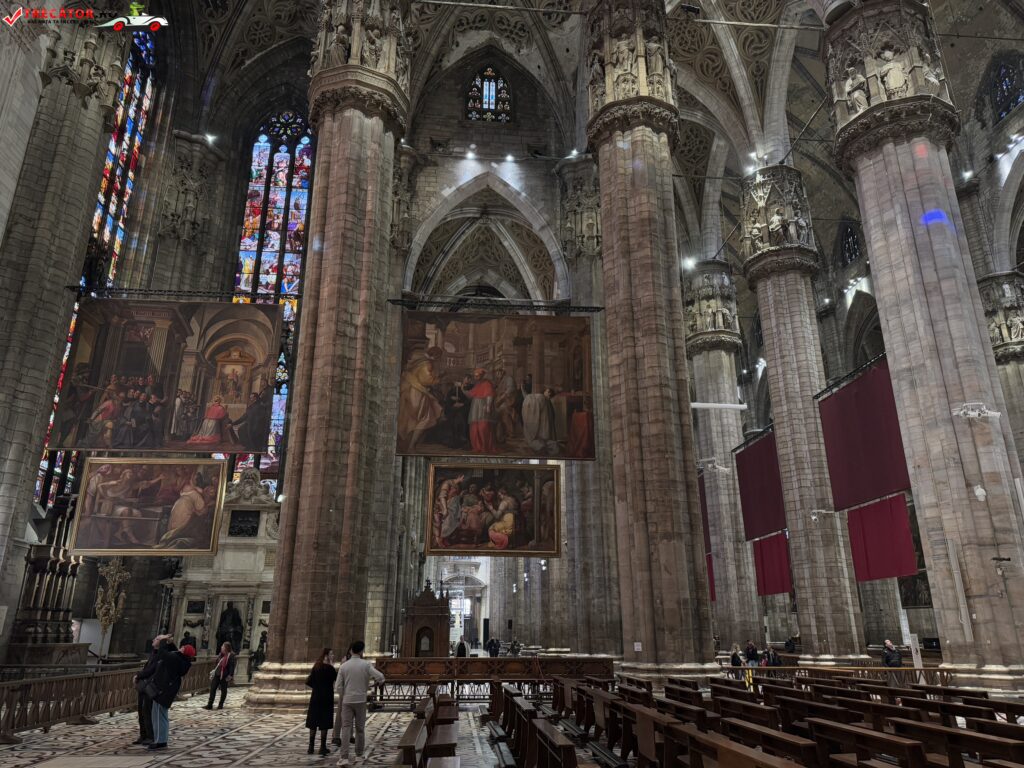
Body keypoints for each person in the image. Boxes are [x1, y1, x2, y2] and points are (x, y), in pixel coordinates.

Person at [135, 634, 194, 751]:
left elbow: (163, 653)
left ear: (184, 651)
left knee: (158, 716)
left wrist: (163, 640)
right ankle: (160, 739)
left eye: (183, 647)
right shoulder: (180, 659)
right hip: (165, 689)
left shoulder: (176, 659)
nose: (181, 647)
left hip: (164, 691)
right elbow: (171, 652)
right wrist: (170, 643)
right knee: (159, 715)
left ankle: (160, 741)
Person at [336, 640, 385, 766]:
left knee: (346, 728)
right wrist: (374, 684)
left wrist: (345, 694)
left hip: (347, 701)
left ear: (351, 650)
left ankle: (344, 757)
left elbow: (338, 686)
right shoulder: (366, 665)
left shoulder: (344, 666)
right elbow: (380, 677)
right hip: (361, 700)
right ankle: (359, 755)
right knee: (360, 729)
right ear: (362, 651)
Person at [306, 648, 337, 756]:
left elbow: (309, 681)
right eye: (331, 654)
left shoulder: (316, 666)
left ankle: (310, 747)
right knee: (325, 721)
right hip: (327, 697)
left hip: (315, 697)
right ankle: (322, 747)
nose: (333, 655)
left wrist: (317, 688)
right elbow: (336, 679)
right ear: (326, 655)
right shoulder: (330, 668)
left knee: (313, 721)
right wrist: (332, 665)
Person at [132, 638, 159, 746]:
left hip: (150, 685)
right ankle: (143, 735)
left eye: (157, 639)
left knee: (147, 711)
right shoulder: (153, 653)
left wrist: (138, 675)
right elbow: (147, 667)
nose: (153, 640)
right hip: (144, 685)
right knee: (141, 710)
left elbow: (151, 669)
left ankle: (150, 736)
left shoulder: (160, 655)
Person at [467, 368, 497, 453]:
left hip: (483, 406)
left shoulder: (487, 384)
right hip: (475, 407)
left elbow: (490, 395)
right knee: (474, 426)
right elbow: (470, 394)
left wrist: (488, 405)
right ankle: (477, 446)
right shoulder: (477, 385)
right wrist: (462, 387)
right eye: (475, 376)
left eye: (477, 376)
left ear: (482, 375)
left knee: (483, 427)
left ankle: (485, 447)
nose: (476, 378)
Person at [204, 641, 237, 710]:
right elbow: (217, 663)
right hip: (217, 674)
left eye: (223, 646)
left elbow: (232, 666)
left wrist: (230, 675)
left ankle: (220, 704)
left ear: (226, 648)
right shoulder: (220, 654)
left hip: (224, 675)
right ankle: (210, 704)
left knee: (223, 690)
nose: (221, 647)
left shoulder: (231, 655)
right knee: (213, 688)